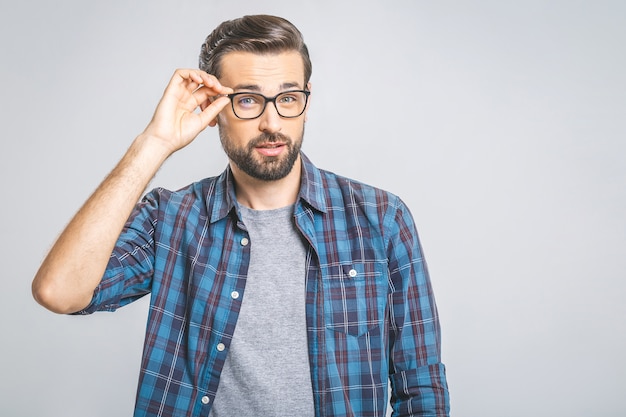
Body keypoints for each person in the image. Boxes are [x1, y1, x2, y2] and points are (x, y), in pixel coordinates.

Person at [32, 14, 450, 417]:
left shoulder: (380, 218)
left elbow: (421, 387)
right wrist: (154, 144)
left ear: (306, 99)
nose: (272, 123)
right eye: (248, 100)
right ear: (213, 108)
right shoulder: (172, 220)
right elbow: (60, 292)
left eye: (288, 98)